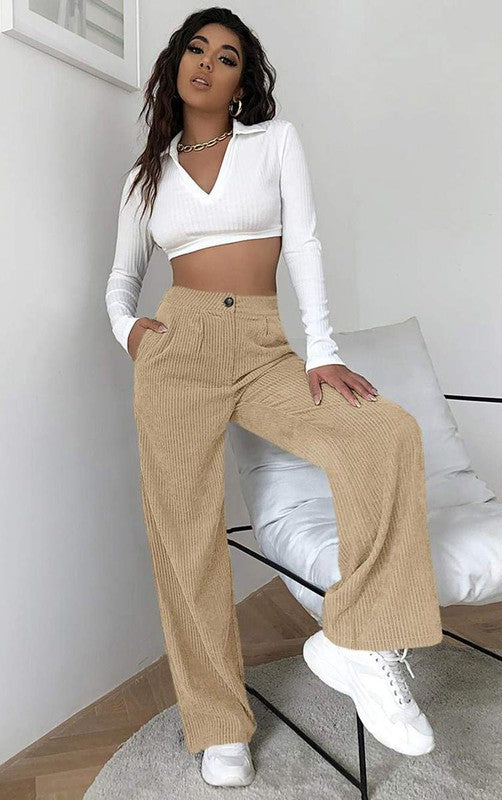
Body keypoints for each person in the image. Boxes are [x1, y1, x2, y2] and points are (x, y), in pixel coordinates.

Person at [105, 7, 443, 788]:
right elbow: (122, 277)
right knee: (185, 540)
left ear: (240, 82)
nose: (207, 63)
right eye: (196, 48)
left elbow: (305, 245)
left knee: (383, 432)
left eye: (226, 57)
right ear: (175, 65)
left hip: (262, 345)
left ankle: (357, 639)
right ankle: (219, 726)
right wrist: (129, 331)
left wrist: (321, 353)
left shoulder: (273, 142)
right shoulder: (145, 176)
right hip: (177, 352)